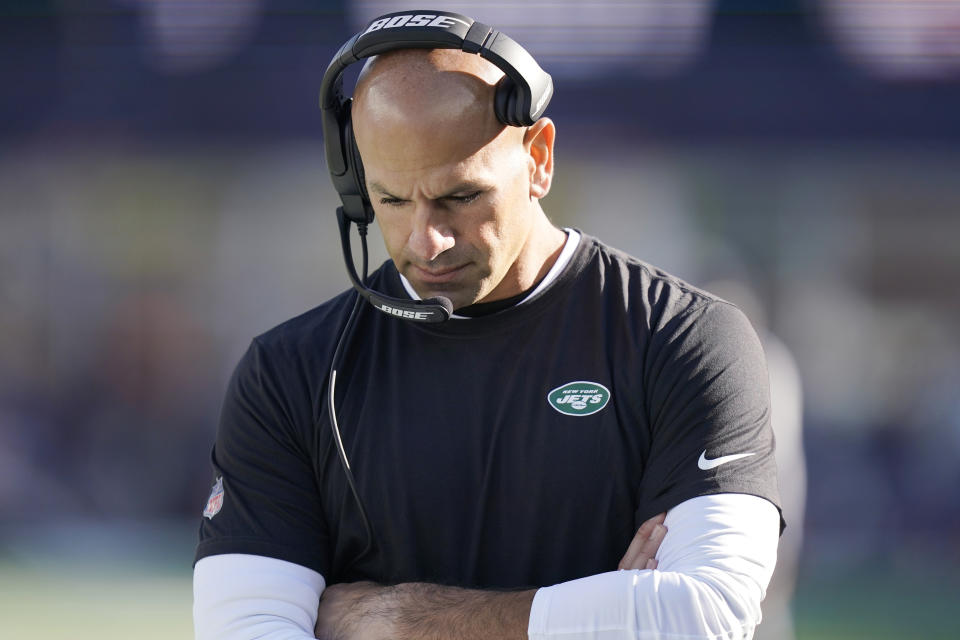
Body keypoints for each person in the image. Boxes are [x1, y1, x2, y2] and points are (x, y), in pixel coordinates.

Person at [193, 16, 783, 640]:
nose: (428, 240)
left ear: (539, 158)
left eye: (460, 196)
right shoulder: (287, 374)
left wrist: (396, 620)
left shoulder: (686, 340)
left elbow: (704, 618)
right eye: (391, 201)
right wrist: (609, 611)